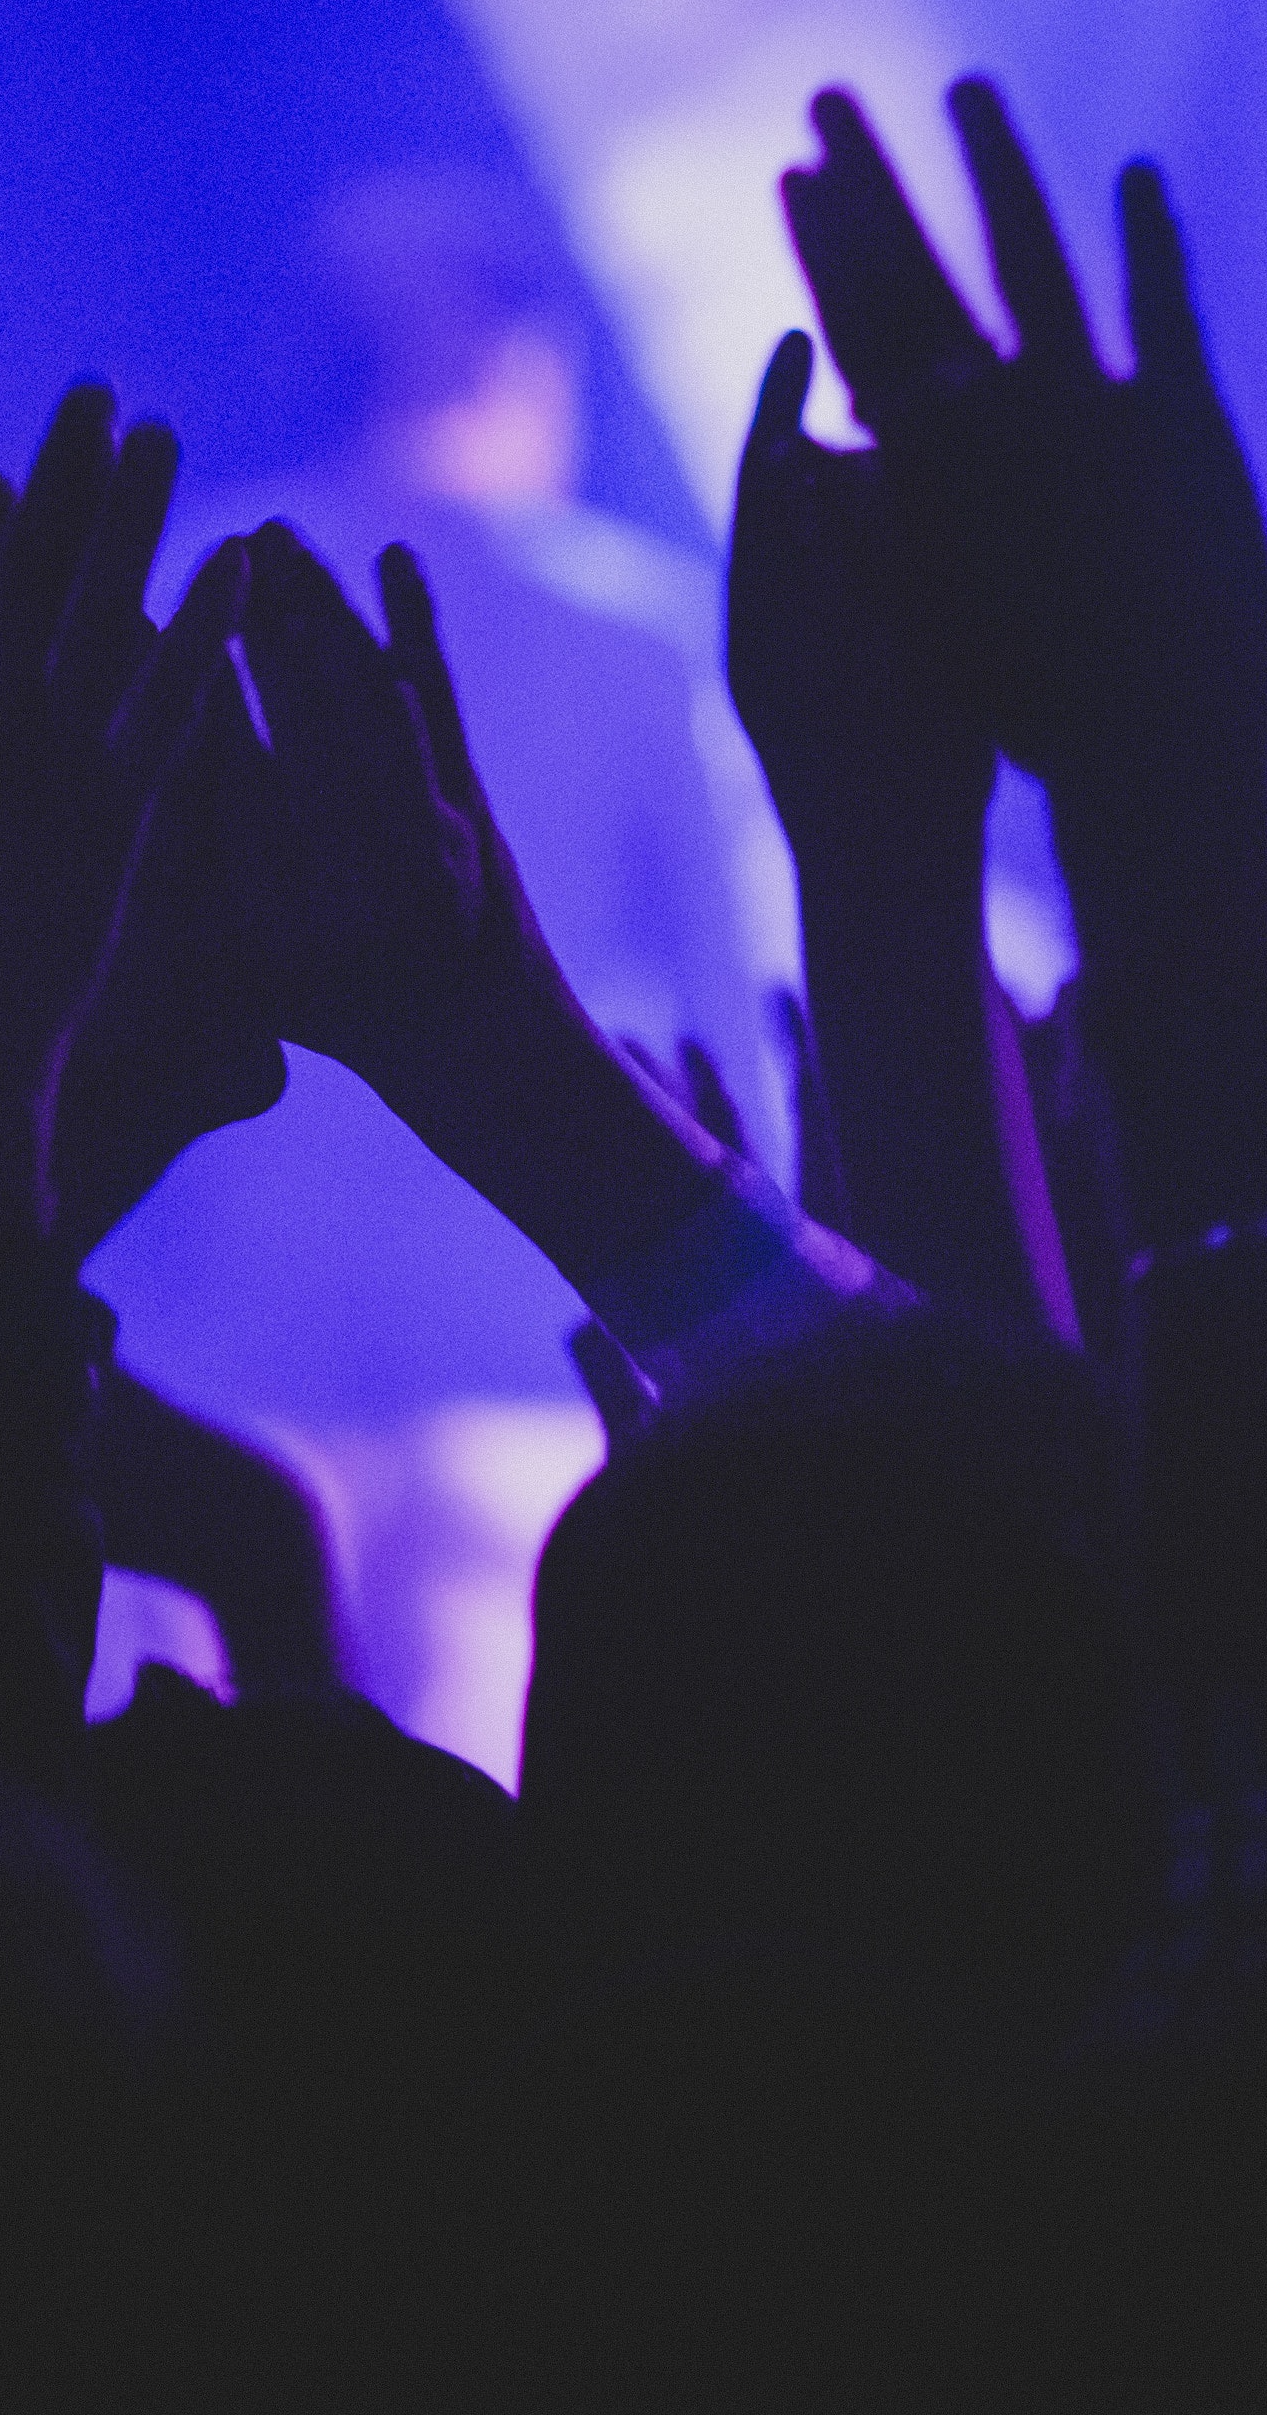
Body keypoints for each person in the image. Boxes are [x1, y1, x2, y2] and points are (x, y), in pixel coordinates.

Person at [94, 161, 762, 1778]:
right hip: (523, 1311)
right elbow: (731, 1004)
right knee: (482, 1817)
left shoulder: (201, 581)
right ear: (525, 363)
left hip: (230, 1320)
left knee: (209, 1815)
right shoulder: (638, 630)